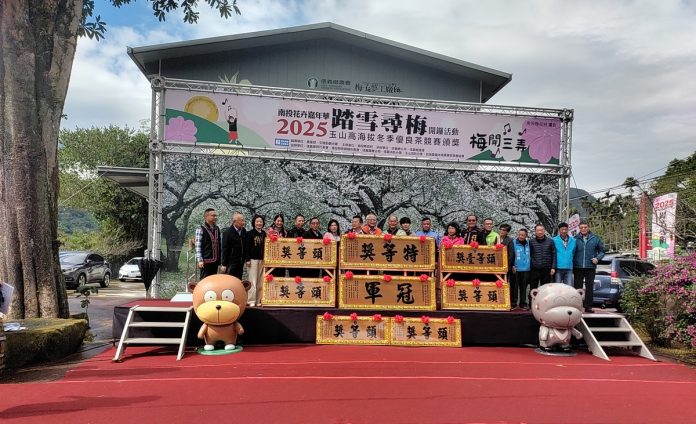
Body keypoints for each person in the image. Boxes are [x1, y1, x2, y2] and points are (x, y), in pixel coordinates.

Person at [573, 222, 606, 313]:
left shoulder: (595, 238)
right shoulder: (575, 239)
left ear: (588, 227)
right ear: (579, 228)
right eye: (581, 227)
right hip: (578, 266)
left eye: (585, 227)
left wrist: (597, 258)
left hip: (590, 266)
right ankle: (577, 306)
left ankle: (588, 306)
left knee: (590, 287)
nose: (583, 229)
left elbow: (602, 251)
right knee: (577, 287)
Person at [195, 208, 222, 279]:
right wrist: (200, 260)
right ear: (206, 216)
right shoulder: (200, 229)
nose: (215, 217)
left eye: (216, 215)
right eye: (213, 215)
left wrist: (220, 259)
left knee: (213, 280)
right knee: (204, 280)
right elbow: (198, 246)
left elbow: (219, 244)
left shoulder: (216, 228)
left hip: (215, 261)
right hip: (205, 261)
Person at [245, 215, 266, 306]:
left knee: (260, 281)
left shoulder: (264, 233)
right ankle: (251, 300)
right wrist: (247, 259)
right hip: (252, 260)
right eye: (257, 222)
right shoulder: (250, 233)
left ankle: (258, 300)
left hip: (262, 259)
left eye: (260, 222)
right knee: (253, 281)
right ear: (254, 223)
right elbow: (247, 247)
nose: (259, 223)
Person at [529, 224, 556, 293]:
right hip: (534, 269)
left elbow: (554, 254)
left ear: (544, 231)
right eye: (538, 230)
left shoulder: (550, 241)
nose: (540, 232)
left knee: (545, 289)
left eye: (541, 230)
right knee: (533, 288)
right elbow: (529, 254)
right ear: (535, 231)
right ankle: (532, 300)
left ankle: (545, 300)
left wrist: (553, 267)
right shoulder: (531, 242)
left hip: (546, 269)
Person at [508, 228, 531, 310]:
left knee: (523, 287)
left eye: (523, 235)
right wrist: (512, 265)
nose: (521, 236)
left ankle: (523, 303)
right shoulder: (513, 243)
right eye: (520, 235)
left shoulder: (529, 243)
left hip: (526, 269)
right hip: (516, 269)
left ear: (526, 235)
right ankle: (513, 303)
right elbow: (510, 255)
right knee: (514, 287)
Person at [221, 212, 247, 280]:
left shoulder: (243, 231)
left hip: (240, 261)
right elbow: (225, 249)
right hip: (231, 262)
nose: (243, 222)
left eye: (244, 220)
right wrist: (224, 264)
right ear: (234, 221)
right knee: (230, 280)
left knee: (239, 280)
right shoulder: (227, 233)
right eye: (241, 221)